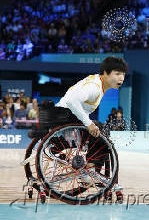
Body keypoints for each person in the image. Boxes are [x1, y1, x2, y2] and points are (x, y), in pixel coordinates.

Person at [30, 56, 127, 195]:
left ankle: (89, 169)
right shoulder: (94, 87)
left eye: (123, 74)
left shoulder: (97, 82)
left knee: (101, 131)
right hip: (66, 117)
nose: (121, 78)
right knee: (101, 132)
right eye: (117, 74)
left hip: (65, 117)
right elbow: (72, 102)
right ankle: (89, 170)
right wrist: (89, 124)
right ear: (105, 73)